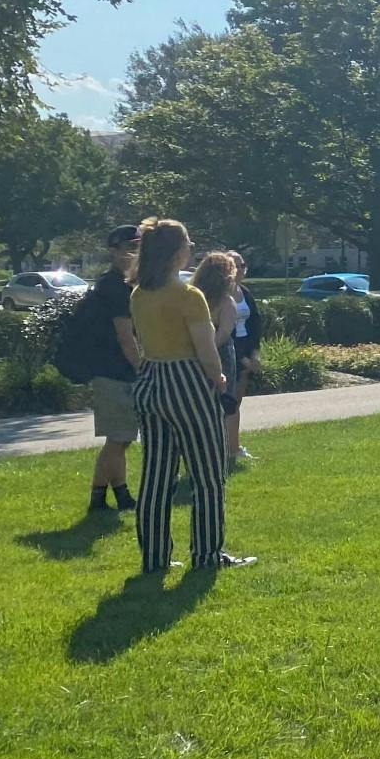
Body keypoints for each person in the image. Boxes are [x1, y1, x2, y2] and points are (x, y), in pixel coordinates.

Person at [129, 219, 254, 573]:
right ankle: (208, 554)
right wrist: (219, 379)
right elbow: (205, 348)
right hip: (186, 381)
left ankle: (154, 558)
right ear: (177, 252)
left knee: (156, 476)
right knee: (208, 476)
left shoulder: (139, 294)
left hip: (151, 379)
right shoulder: (188, 296)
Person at [85, 224, 144, 513]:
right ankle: (100, 497)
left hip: (115, 369)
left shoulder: (125, 282)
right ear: (113, 251)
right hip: (113, 370)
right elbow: (125, 334)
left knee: (121, 438)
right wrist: (140, 367)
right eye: (129, 247)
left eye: (139, 247)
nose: (135, 253)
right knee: (119, 437)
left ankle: (118, 496)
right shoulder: (114, 285)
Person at [190, 252, 241, 473]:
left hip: (192, 355)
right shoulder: (226, 302)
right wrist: (208, 350)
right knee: (223, 405)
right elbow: (225, 332)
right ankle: (220, 453)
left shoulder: (192, 298)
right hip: (219, 357)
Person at [228, 254, 259, 465]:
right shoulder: (218, 295)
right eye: (234, 265)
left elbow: (255, 324)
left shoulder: (245, 293)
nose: (239, 269)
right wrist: (241, 359)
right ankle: (224, 449)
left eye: (242, 265)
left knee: (235, 403)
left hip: (245, 353)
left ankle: (233, 448)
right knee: (226, 404)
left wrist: (254, 354)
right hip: (228, 354)